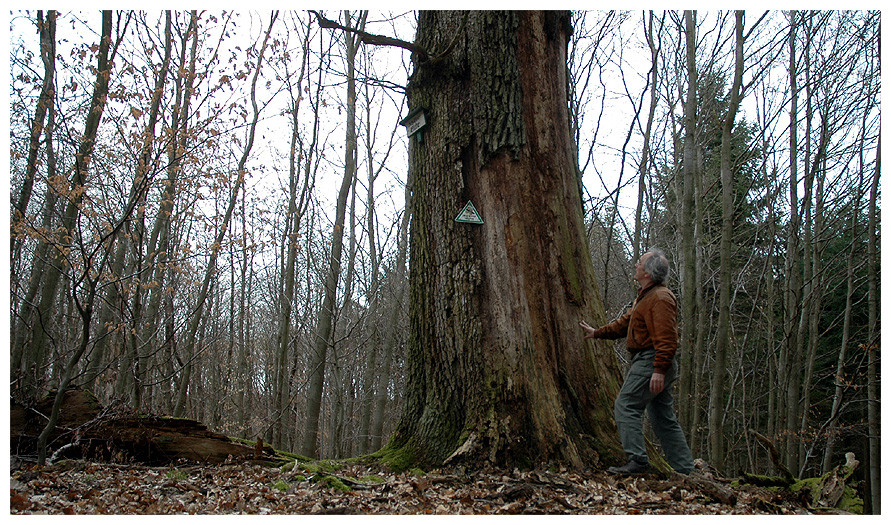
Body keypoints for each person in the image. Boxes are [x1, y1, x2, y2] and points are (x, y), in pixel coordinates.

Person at [579, 248, 694, 475]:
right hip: (653, 361)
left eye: (639, 263)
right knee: (663, 418)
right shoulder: (647, 296)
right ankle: (685, 470)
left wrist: (659, 370)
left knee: (626, 405)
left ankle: (638, 462)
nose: (635, 265)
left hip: (652, 361)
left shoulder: (660, 298)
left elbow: (667, 338)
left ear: (648, 274)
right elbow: (625, 323)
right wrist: (598, 332)